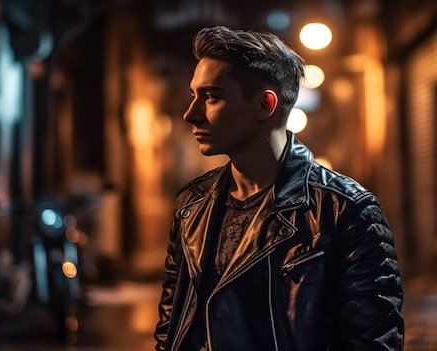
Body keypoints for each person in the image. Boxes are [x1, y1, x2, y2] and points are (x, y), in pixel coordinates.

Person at [154, 25, 404, 351]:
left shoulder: (344, 209)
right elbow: (170, 327)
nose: (191, 114)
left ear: (264, 106)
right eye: (194, 95)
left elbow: (373, 342)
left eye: (212, 96)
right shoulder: (192, 205)